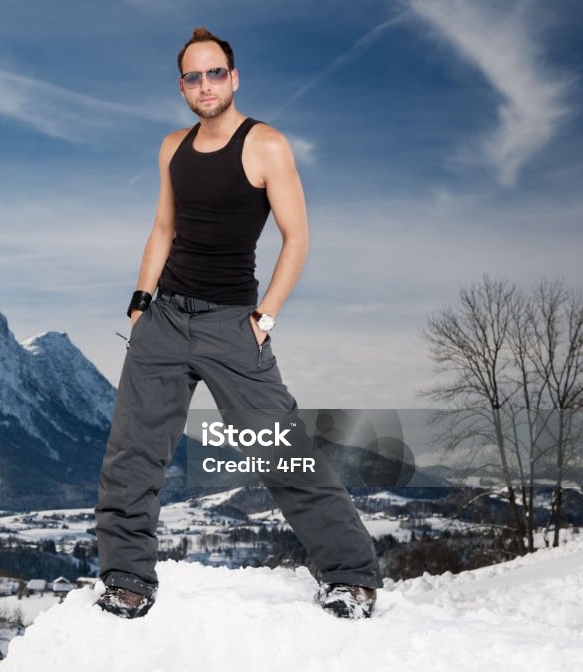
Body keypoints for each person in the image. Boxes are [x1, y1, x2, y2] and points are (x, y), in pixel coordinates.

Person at [93, 27, 383, 620]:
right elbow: (163, 229)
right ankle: (127, 579)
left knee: (280, 451)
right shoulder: (172, 146)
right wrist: (140, 300)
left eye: (215, 72)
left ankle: (351, 575)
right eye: (194, 76)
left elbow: (296, 237)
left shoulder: (266, 144)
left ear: (234, 77)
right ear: (182, 86)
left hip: (233, 324)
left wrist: (265, 315)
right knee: (133, 454)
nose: (206, 85)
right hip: (164, 318)